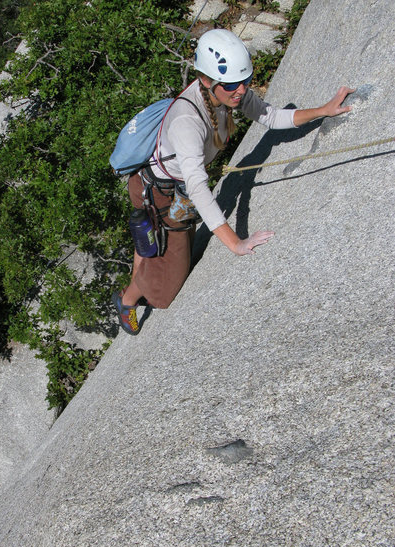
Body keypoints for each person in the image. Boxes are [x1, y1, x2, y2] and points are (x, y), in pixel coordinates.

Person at [112, 28, 354, 335]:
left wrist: (323, 110)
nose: (240, 91)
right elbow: (199, 187)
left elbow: (270, 116)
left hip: (175, 188)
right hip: (156, 191)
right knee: (165, 291)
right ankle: (126, 300)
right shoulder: (188, 121)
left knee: (160, 250)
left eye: (246, 81)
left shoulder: (225, 94)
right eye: (231, 86)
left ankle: (145, 239)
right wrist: (236, 242)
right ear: (206, 80)